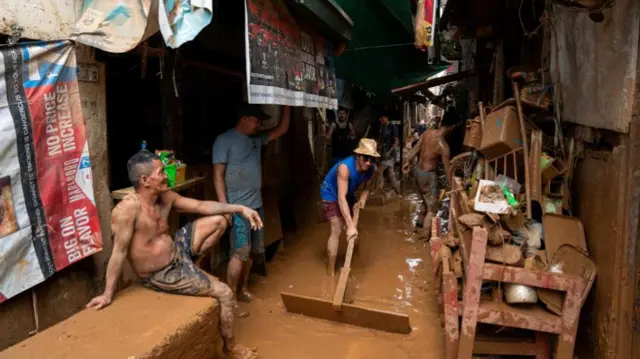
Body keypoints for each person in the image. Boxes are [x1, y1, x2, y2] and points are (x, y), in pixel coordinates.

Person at [86, 151, 260, 359]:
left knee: (220, 220)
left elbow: (200, 206)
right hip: (162, 272)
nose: (167, 175)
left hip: (177, 250)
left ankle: (192, 268)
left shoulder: (164, 196)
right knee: (224, 293)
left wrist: (240, 208)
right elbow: (118, 253)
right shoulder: (127, 211)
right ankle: (231, 348)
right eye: (161, 172)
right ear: (145, 180)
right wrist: (107, 293)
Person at [213, 104, 290, 309]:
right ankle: (230, 297)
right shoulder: (224, 140)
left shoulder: (256, 140)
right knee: (240, 253)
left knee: (255, 250)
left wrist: (288, 104)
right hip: (238, 211)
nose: (259, 125)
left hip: (258, 208)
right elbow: (218, 175)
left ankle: (243, 288)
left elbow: (282, 129)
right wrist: (224, 208)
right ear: (245, 119)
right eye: (256, 121)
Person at [320, 138, 378, 275]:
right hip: (331, 193)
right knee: (337, 228)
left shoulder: (372, 169)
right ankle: (331, 271)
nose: (369, 162)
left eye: (372, 159)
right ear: (358, 156)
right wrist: (349, 225)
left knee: (354, 228)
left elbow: (367, 188)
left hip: (348, 193)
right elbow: (341, 197)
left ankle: (354, 260)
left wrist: (362, 199)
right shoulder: (344, 168)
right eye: (365, 158)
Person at [403, 119, 453, 235]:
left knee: (425, 202)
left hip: (417, 172)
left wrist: (407, 161)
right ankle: (425, 237)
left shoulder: (426, 132)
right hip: (428, 175)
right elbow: (447, 169)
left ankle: (418, 227)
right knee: (432, 208)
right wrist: (452, 186)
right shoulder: (444, 147)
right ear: (451, 128)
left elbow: (415, 149)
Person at [377, 111, 401, 195]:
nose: (380, 120)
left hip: (390, 154)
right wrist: (378, 151)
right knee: (390, 174)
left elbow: (396, 142)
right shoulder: (382, 127)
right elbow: (380, 141)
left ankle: (378, 191)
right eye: (379, 119)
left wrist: (389, 152)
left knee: (380, 171)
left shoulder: (393, 127)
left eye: (381, 118)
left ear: (386, 117)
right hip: (383, 154)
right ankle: (398, 192)